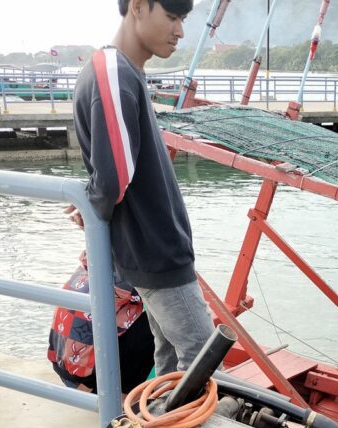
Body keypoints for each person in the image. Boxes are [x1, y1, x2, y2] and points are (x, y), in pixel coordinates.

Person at [69, 0, 212, 376]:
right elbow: (113, 176)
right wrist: (93, 206)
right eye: (171, 16)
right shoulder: (114, 73)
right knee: (202, 358)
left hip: (153, 251)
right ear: (137, 7)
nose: (180, 31)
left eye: (183, 19)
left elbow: (109, 174)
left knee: (170, 362)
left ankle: (159, 418)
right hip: (156, 252)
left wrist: (92, 203)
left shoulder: (122, 72)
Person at [48, 250, 155, 395]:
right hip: (88, 380)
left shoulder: (95, 256)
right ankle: (123, 398)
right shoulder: (127, 270)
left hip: (63, 368)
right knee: (157, 320)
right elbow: (168, 295)